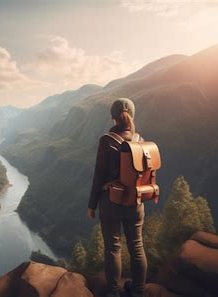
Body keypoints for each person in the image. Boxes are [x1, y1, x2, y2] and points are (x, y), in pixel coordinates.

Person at [87, 98, 147, 297]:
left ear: (112, 117)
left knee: (113, 248)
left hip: (111, 202)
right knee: (136, 246)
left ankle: (113, 293)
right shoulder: (140, 140)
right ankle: (139, 291)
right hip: (135, 202)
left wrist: (92, 204)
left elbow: (99, 174)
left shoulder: (107, 140)